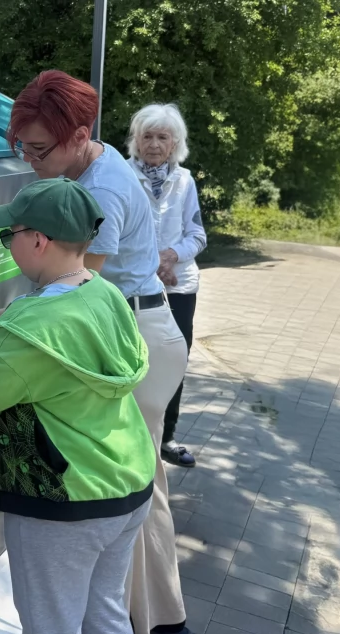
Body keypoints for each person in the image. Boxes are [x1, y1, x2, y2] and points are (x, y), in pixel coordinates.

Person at [0, 177, 156, 634]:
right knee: (102, 614)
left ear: (38, 241)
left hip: (65, 502)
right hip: (126, 484)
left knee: (51, 632)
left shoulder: (35, 326)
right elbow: (40, 342)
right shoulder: (100, 292)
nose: (8, 245)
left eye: (10, 236)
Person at [7, 70, 191, 634]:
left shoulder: (100, 192)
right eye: (23, 147)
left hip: (139, 329)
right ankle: (143, 619)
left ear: (81, 134)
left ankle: (162, 622)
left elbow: (76, 300)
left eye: (40, 149)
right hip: (135, 323)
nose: (30, 161)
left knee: (133, 486)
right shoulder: (97, 165)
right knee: (136, 484)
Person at [127, 103, 206, 469]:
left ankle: (166, 437)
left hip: (178, 286)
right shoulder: (124, 176)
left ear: (175, 143)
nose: (154, 144)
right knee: (132, 357)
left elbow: (197, 235)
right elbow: (120, 233)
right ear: (136, 141)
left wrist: (172, 255)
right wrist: (153, 263)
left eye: (162, 137)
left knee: (175, 360)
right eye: (147, 136)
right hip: (136, 286)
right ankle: (131, 430)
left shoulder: (185, 181)